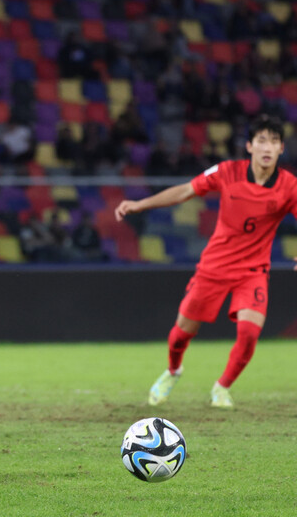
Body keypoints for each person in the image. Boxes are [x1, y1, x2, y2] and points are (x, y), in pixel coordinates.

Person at [114, 114, 297, 409]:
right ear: (249, 146)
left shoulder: (289, 186)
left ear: (281, 149)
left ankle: (221, 387)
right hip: (214, 266)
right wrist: (141, 204)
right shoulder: (227, 171)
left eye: (274, 142)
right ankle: (173, 370)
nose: (267, 147)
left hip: (252, 271)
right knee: (182, 333)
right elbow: (186, 190)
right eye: (261, 140)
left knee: (250, 332)